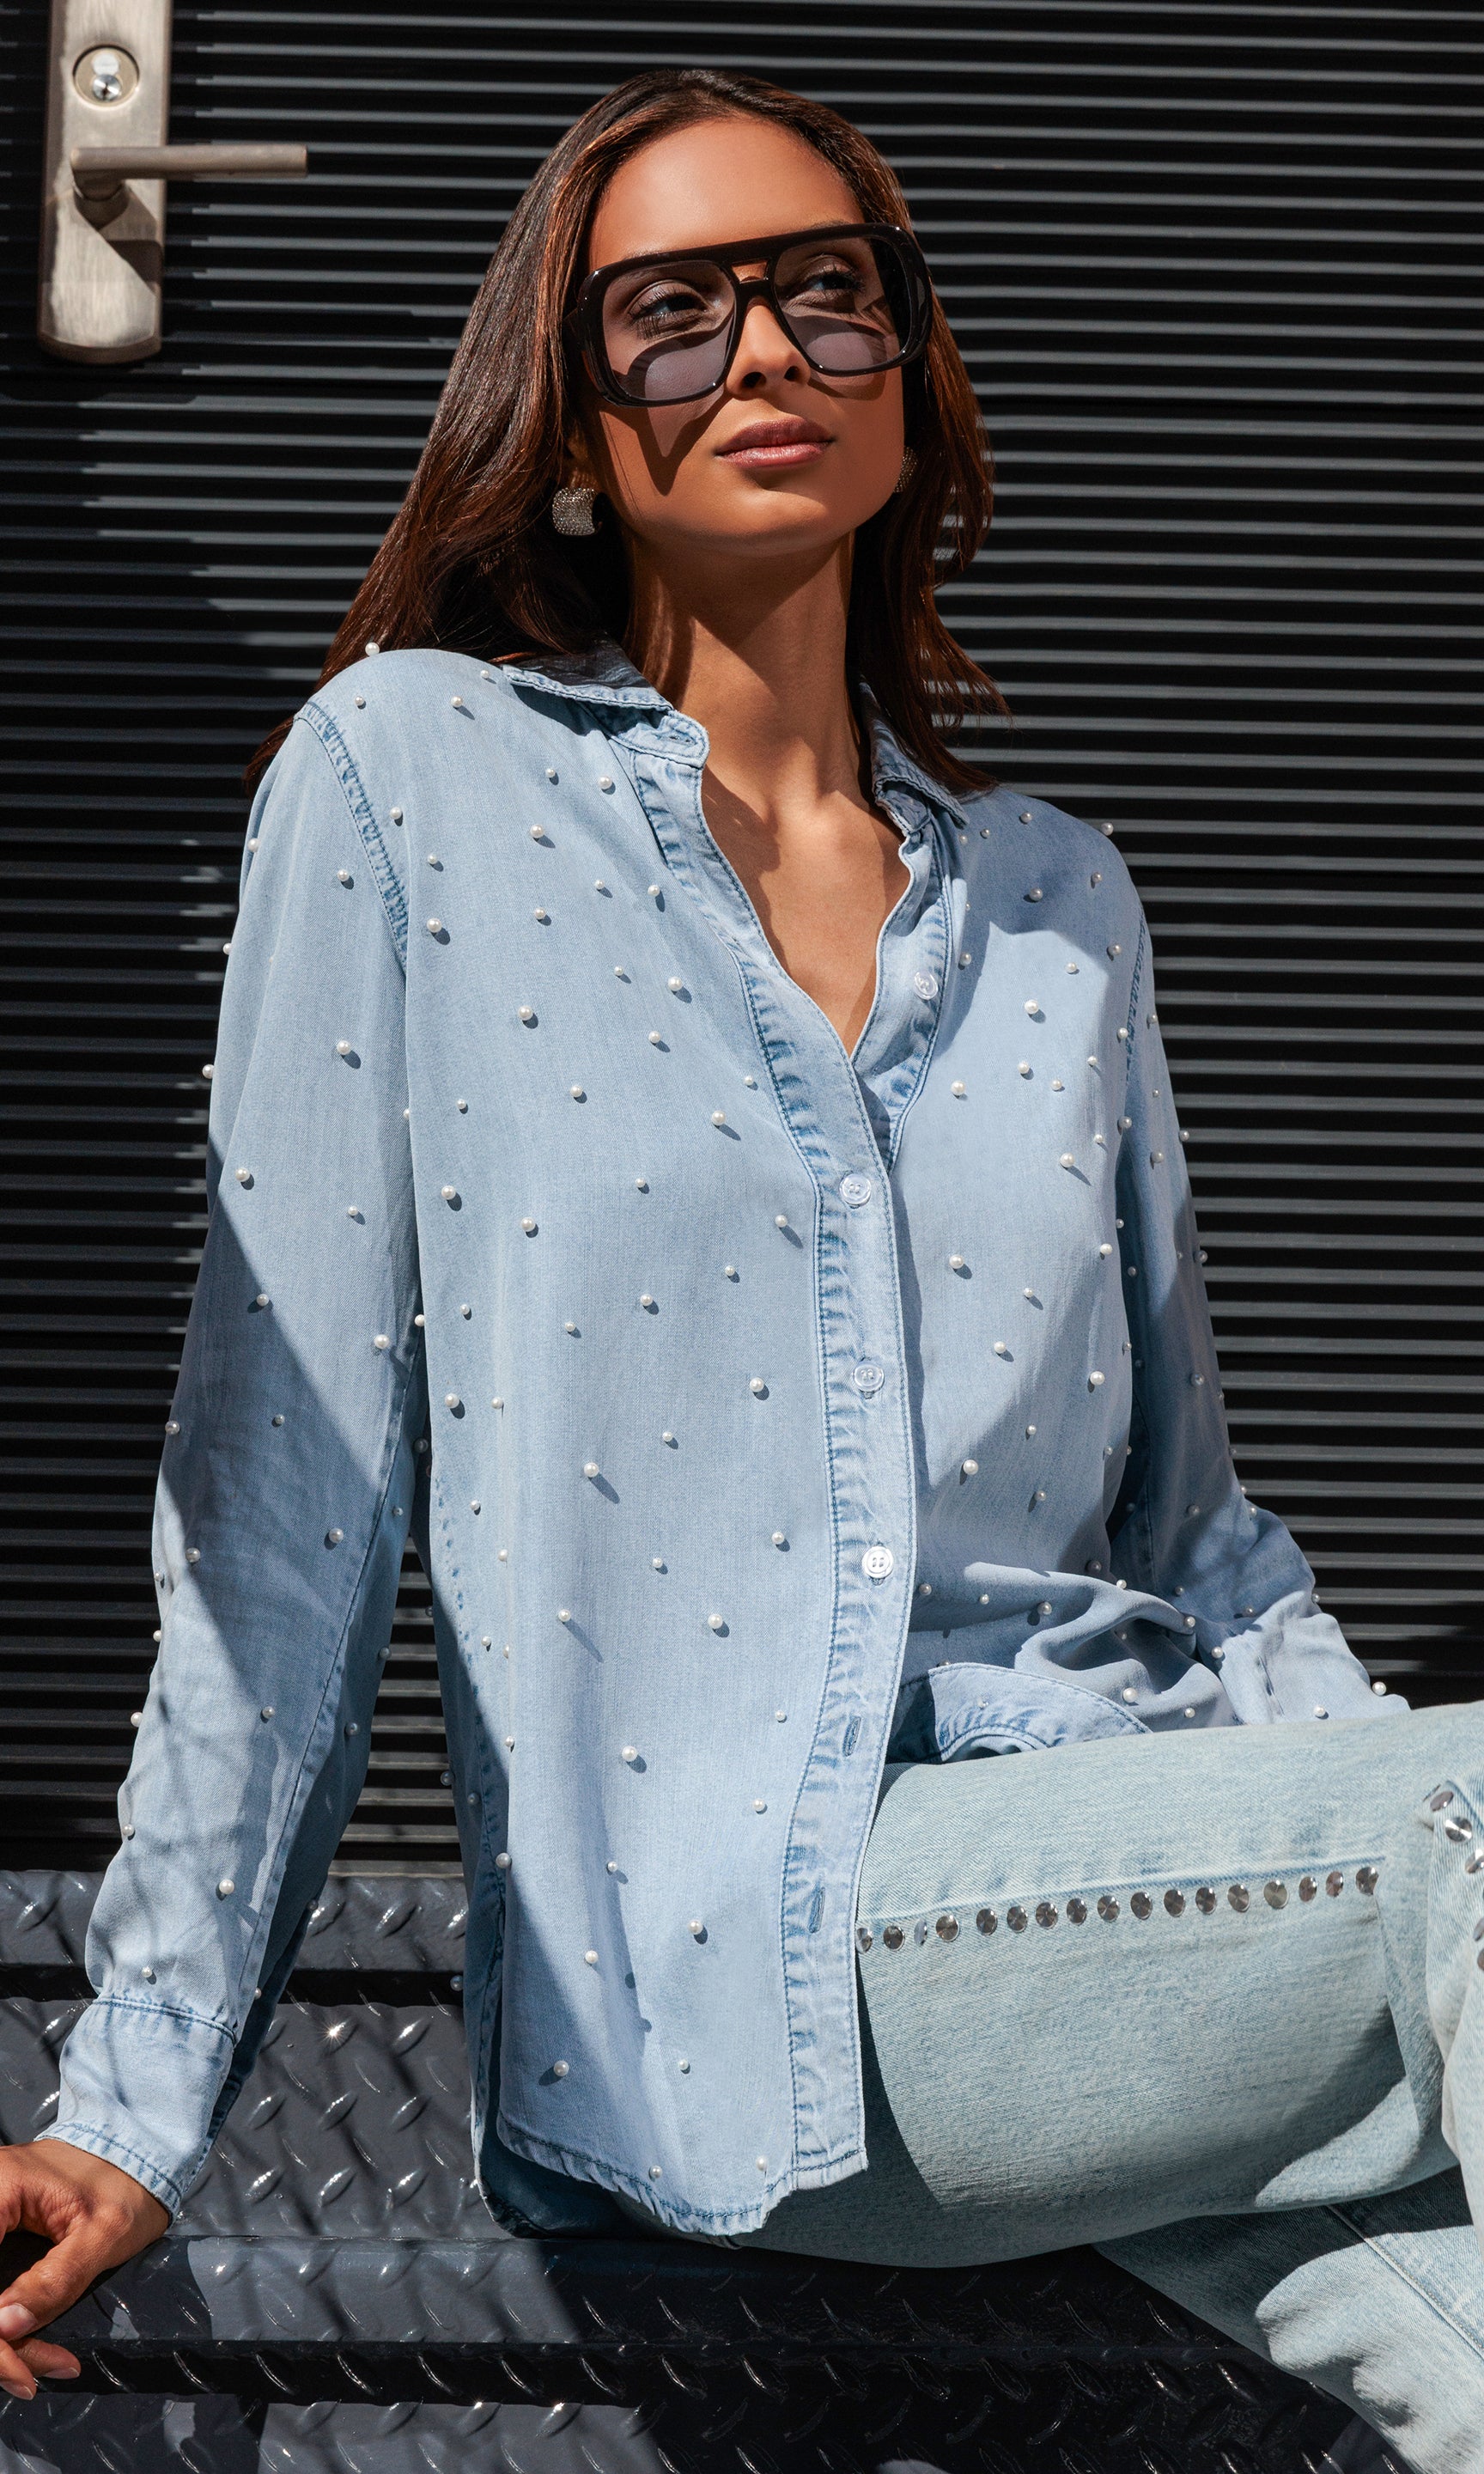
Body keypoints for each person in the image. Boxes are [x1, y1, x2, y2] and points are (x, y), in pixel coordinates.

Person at [0, 67, 1477, 2469]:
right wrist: (139, 2101)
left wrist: (1318, 1842)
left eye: (823, 296)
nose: (765, 358)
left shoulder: (1064, 906)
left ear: (912, 369)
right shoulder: (411, 784)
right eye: (671, 319)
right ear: (572, 420)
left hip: (1122, 1897)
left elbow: (1197, 1535)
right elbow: (284, 1506)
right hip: (736, 1973)